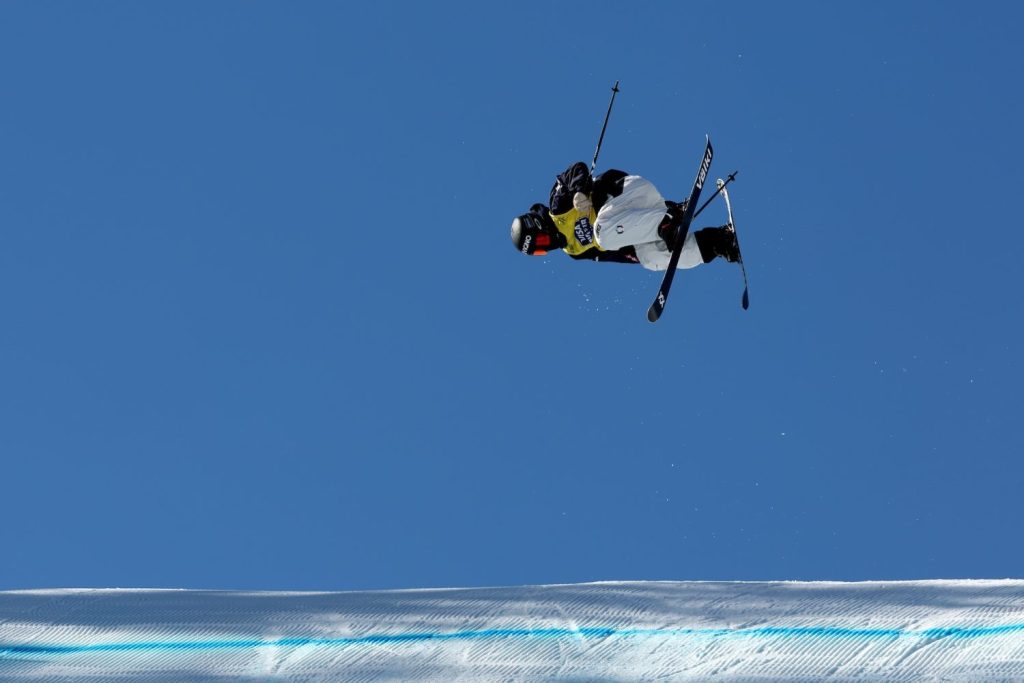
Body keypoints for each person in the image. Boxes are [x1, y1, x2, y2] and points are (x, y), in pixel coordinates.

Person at [510, 161, 739, 270]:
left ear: (538, 227)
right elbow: (616, 253)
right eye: (540, 251)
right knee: (651, 258)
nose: (546, 248)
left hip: (629, 194)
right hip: (643, 221)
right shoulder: (574, 251)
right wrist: (639, 257)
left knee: (601, 233)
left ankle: (667, 219)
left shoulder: (558, 206)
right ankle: (718, 242)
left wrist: (579, 190)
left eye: (540, 243)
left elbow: (576, 169)